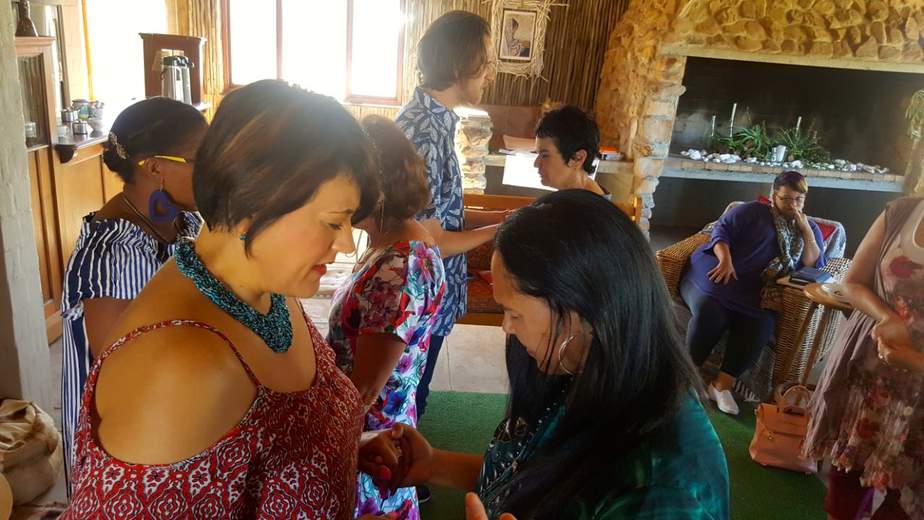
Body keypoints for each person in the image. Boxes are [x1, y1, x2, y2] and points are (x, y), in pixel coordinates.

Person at [61, 81, 403, 520]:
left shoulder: (263, 285)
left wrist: (339, 449)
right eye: (333, 222)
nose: (345, 244)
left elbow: (251, 454)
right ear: (250, 204)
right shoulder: (182, 369)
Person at [393, 190, 729, 519]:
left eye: (515, 314)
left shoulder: (661, 489)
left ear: (583, 310)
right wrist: (434, 465)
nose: (506, 328)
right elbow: (535, 477)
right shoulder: (580, 368)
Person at [59, 97, 207, 494]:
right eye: (200, 159)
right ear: (155, 168)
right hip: (127, 449)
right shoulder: (115, 254)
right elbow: (123, 376)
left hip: (173, 420)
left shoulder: (183, 219)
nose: (213, 171)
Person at [328, 116, 447, 520]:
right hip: (378, 430)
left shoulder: (398, 267)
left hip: (372, 439)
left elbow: (366, 387)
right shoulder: (394, 246)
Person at [395, 10, 504, 425]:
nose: (491, 71)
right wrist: (499, 229)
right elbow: (431, 241)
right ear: (459, 66)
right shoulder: (423, 132)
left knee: (414, 392)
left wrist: (500, 214)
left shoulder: (435, 122)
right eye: (486, 61)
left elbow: (444, 213)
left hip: (432, 293)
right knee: (409, 399)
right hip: (418, 294)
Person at [805, 196, 924, 520]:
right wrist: (888, 317)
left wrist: (914, 361)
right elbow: (853, 283)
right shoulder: (901, 213)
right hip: (871, 375)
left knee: (906, 500)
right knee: (846, 478)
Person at [680, 171, 826, 415]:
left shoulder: (808, 228)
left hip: (756, 290)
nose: (792, 205)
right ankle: (687, 379)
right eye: (786, 199)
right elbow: (720, 232)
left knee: (761, 322)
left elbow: (814, 264)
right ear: (773, 195)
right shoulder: (751, 211)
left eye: (798, 199)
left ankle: (721, 386)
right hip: (718, 273)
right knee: (710, 311)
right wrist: (725, 259)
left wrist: (807, 233)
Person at [533, 105, 607, 197]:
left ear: (577, 158)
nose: (536, 164)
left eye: (545, 155)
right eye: (537, 154)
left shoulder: (586, 205)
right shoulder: (573, 199)